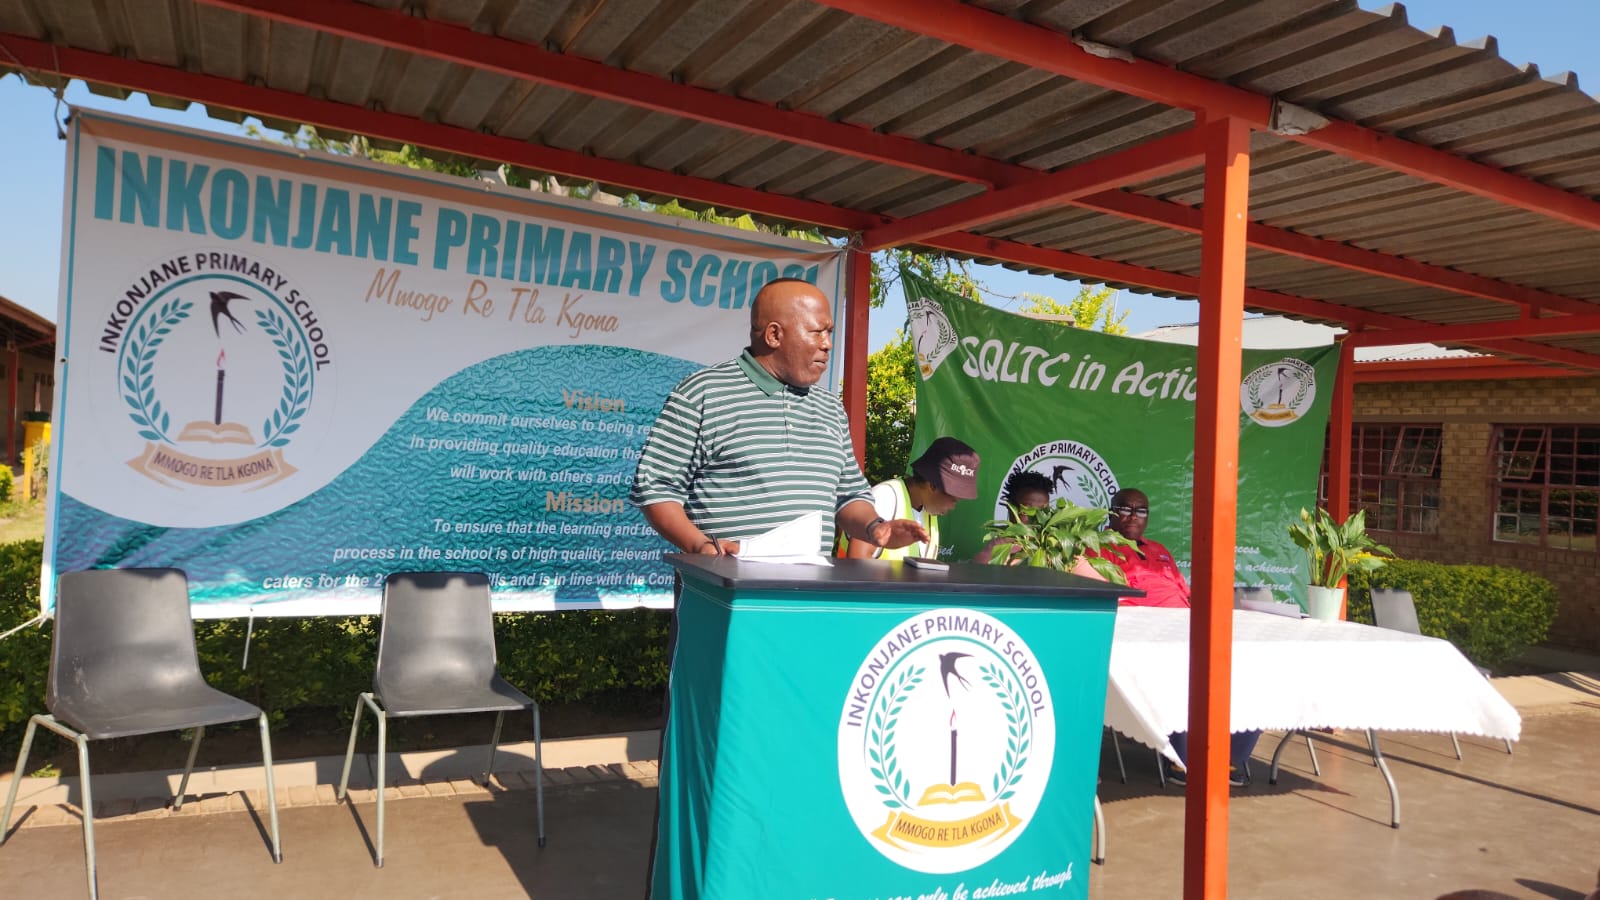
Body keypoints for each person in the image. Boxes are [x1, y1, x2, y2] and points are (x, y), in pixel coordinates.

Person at [630, 277, 929, 559]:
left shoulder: (831, 408)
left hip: (806, 590)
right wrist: (702, 547)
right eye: (818, 331)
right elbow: (654, 487)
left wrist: (876, 527)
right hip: (724, 588)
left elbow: (849, 495)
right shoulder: (704, 393)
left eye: (829, 333)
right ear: (774, 335)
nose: (827, 344)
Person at [1095, 486, 1259, 786]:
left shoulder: (1159, 550)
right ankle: (1182, 758)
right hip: (1143, 631)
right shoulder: (1097, 549)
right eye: (1125, 509)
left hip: (1184, 623)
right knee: (1184, 673)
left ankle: (1230, 754)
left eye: (1141, 510)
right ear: (1111, 513)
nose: (1133, 516)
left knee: (1246, 665)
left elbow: (1184, 592)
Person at [842, 437, 979, 560]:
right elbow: (857, 559)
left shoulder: (928, 510)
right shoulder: (885, 496)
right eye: (953, 500)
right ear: (932, 485)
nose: (953, 507)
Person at [971, 470, 1104, 580]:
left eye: (1043, 511)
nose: (1036, 517)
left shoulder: (1057, 545)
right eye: (1027, 510)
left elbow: (1099, 585)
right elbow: (975, 578)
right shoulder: (999, 546)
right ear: (1011, 508)